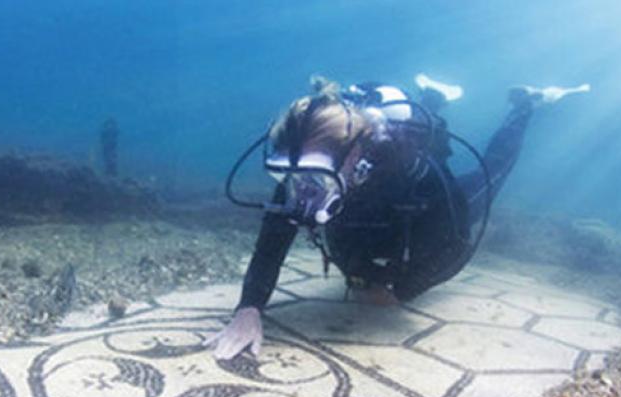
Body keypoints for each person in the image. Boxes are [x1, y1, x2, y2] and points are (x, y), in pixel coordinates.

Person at [206, 74, 589, 360]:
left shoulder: (407, 169)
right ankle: (433, 97)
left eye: (313, 179)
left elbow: (455, 248)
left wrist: (401, 290)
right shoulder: (307, 168)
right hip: (369, 213)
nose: (303, 193)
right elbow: (271, 243)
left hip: (435, 206)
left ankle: (525, 107)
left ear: (354, 158)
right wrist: (249, 307)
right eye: (288, 177)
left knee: (492, 177)